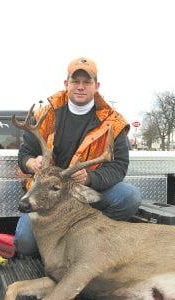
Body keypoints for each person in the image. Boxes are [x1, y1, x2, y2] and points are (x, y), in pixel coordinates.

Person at [14, 57, 142, 255]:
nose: (80, 87)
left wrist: (91, 178)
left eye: (87, 82)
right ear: (66, 84)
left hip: (82, 190)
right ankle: (64, 242)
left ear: (96, 86)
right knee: (24, 244)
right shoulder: (46, 114)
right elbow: (25, 153)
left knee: (129, 196)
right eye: (75, 81)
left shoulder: (113, 122)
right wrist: (31, 162)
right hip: (48, 193)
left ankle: (91, 239)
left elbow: (119, 167)